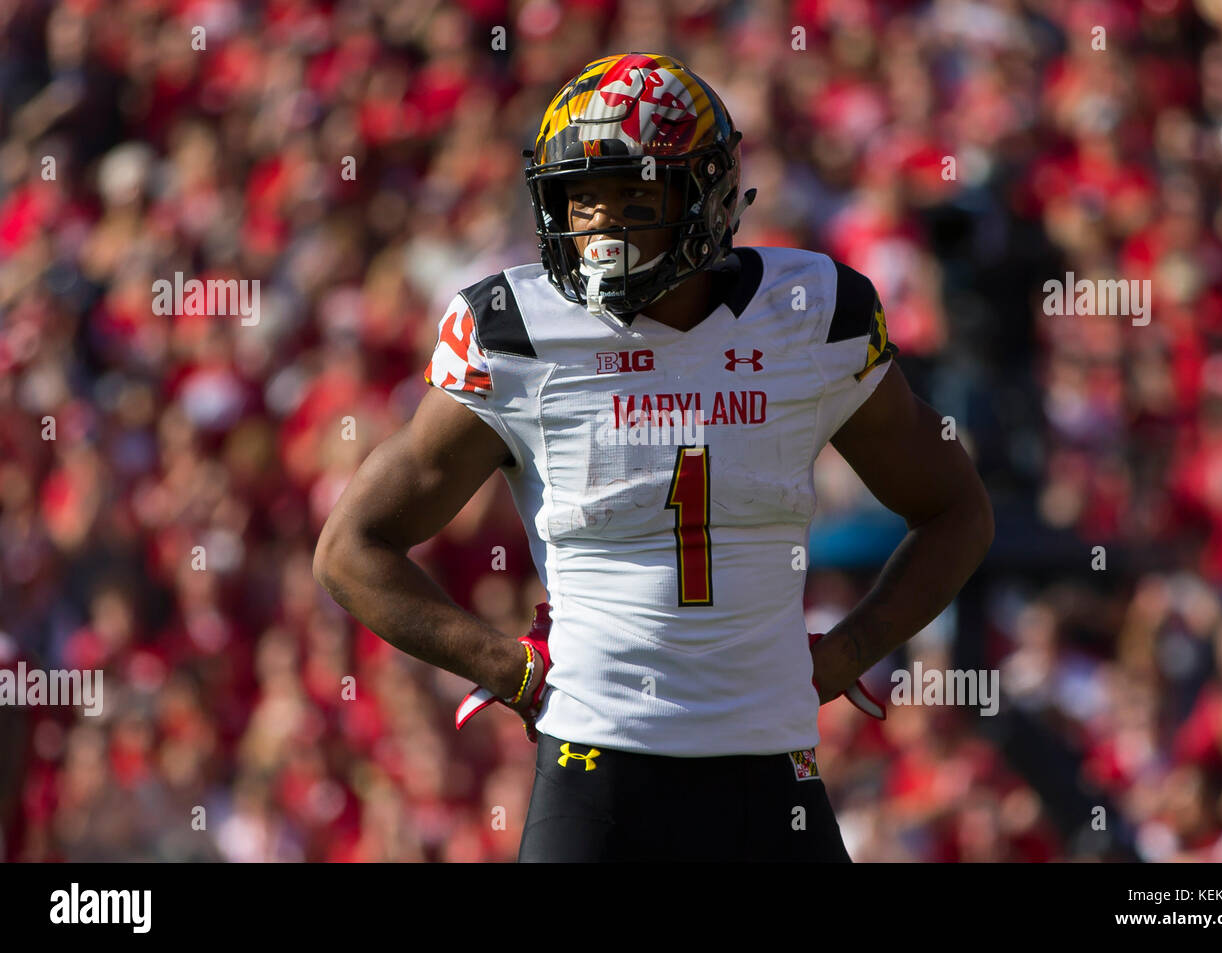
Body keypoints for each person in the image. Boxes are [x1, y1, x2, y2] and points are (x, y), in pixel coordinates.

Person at [313, 52, 994, 862]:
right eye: (580, 198)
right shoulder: (522, 335)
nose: (598, 225)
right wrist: (508, 668)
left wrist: (848, 649)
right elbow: (350, 550)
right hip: (595, 767)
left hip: (769, 765)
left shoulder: (808, 316)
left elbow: (957, 511)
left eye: (629, 194)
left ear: (704, 196)